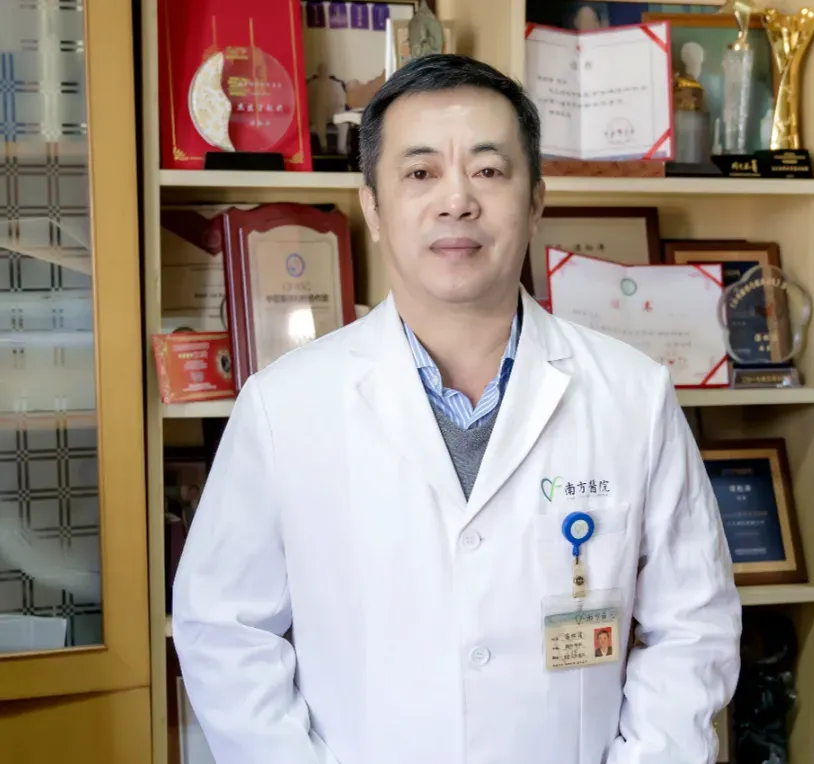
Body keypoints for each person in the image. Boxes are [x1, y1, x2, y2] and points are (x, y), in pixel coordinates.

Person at [171, 54, 742, 764]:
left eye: (489, 170)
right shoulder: (284, 406)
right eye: (420, 173)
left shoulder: (632, 396)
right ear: (372, 207)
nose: (457, 201)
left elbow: (692, 627)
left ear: (536, 199)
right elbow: (224, 630)